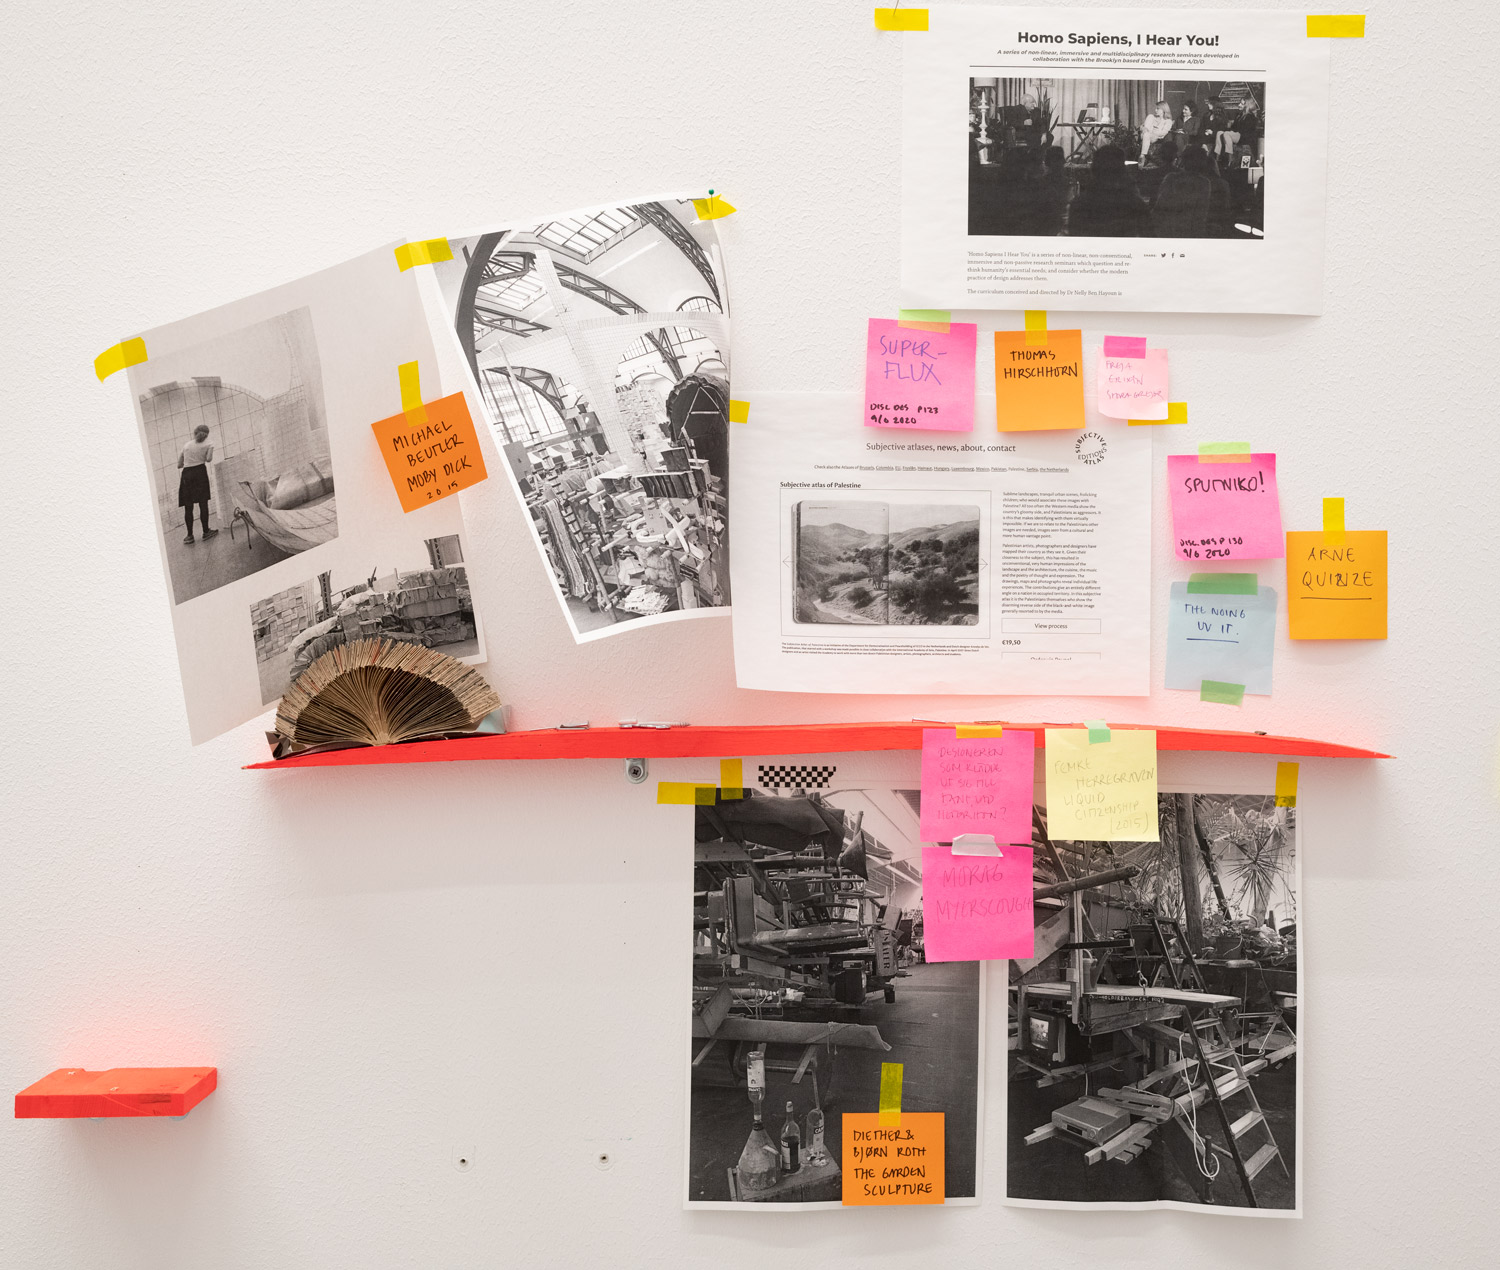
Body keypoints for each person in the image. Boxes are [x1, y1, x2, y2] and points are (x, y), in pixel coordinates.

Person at [1066, 144, 1151, 237]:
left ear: (1094, 169)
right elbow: (1149, 236)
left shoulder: (1079, 204)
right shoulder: (1134, 204)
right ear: (1122, 170)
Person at [1151, 145, 1213, 238]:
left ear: (1183, 160)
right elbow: (1201, 215)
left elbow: (1159, 207)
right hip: (1187, 232)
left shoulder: (1171, 178)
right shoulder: (1204, 183)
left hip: (1166, 230)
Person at [176, 423, 217, 545]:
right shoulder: (210, 443)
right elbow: (208, 459)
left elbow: (179, 465)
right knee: (203, 503)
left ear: (195, 433)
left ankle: (189, 536)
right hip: (200, 473)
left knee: (188, 507)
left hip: (187, 475)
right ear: (207, 434)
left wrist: (190, 461)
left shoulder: (186, 445)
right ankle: (206, 532)